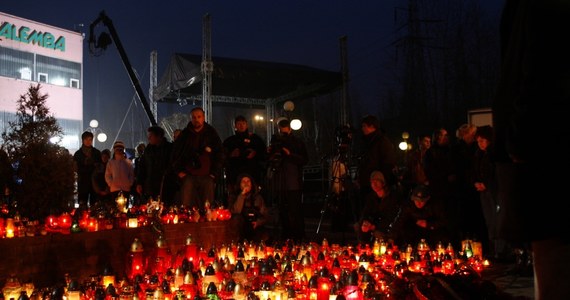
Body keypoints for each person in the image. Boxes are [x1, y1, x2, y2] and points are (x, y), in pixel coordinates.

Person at [170, 107, 223, 211]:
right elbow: (175, 154)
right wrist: (179, 171)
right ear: (191, 119)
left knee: (207, 207)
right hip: (189, 176)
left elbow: (220, 153)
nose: (196, 119)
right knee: (187, 207)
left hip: (207, 176)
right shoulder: (185, 135)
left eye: (199, 117)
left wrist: (214, 173)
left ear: (203, 117)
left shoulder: (211, 133)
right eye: (194, 117)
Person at [267, 118, 308, 241]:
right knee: (282, 210)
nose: (282, 133)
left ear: (290, 129)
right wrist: (271, 153)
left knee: (294, 210)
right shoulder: (276, 142)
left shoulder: (298, 142)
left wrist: (290, 155)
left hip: (293, 182)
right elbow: (270, 160)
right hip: (280, 182)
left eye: (284, 131)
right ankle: (285, 235)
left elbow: (304, 159)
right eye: (281, 131)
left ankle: (298, 236)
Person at [355, 115, 397, 216]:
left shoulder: (382, 142)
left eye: (364, 126)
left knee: (375, 210)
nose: (362, 129)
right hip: (366, 182)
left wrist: (382, 182)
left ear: (372, 126)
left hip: (376, 184)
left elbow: (388, 163)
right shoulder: (367, 142)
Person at [223, 115, 267, 196]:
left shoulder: (255, 139)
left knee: (254, 197)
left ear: (247, 125)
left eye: (243, 123)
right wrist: (231, 154)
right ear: (235, 126)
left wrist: (255, 153)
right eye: (239, 124)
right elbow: (222, 156)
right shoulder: (229, 141)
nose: (241, 125)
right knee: (235, 198)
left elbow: (264, 153)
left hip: (253, 173)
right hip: (235, 175)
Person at [354, 171, 402, 244]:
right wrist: (365, 222)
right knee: (359, 227)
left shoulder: (392, 198)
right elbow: (366, 213)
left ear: (383, 183)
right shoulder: (371, 197)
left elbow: (392, 217)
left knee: (379, 234)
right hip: (373, 224)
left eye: (377, 182)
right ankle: (364, 248)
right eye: (372, 182)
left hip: (385, 227)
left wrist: (375, 226)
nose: (374, 184)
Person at [136, 126, 177, 206]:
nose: (149, 138)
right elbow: (142, 167)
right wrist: (139, 183)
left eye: (151, 136)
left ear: (158, 136)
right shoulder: (148, 150)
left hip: (165, 186)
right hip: (150, 187)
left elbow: (172, 166)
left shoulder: (169, 149)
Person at [228, 173, 270, 243]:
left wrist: (258, 222)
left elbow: (265, 215)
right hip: (239, 230)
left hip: (255, 228)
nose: (246, 184)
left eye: (248, 181)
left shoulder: (258, 198)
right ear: (239, 184)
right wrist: (242, 195)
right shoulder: (234, 197)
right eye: (243, 181)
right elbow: (236, 211)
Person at [73, 131, 102, 207]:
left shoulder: (96, 153)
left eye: (90, 139)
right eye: (86, 139)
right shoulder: (78, 154)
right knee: (82, 204)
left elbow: (100, 167)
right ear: (82, 140)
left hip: (94, 182)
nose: (88, 141)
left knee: (95, 205)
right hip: (83, 182)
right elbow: (75, 168)